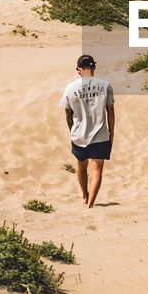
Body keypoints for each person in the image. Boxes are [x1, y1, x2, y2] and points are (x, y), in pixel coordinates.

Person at [60, 54, 114, 208]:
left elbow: (68, 113)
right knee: (97, 172)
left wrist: (72, 130)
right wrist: (112, 132)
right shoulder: (105, 85)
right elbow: (110, 110)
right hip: (101, 135)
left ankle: (85, 195)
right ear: (94, 67)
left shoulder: (70, 88)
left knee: (81, 167)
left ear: (79, 69)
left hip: (79, 136)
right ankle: (91, 204)